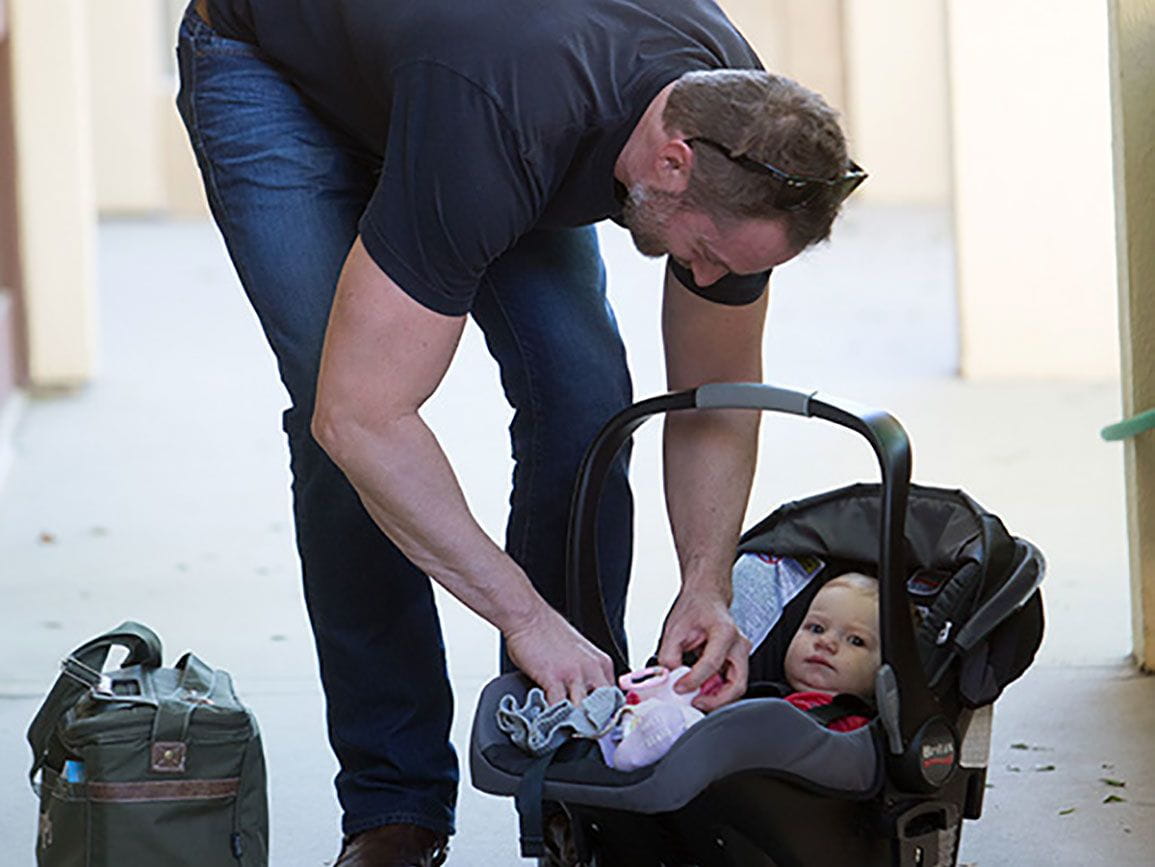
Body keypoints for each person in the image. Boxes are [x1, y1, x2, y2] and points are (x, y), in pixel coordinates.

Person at [174, 0, 864, 862]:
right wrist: (524, 618)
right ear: (672, 161)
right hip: (278, 69)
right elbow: (362, 420)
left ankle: (573, 759)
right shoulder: (501, 116)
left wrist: (705, 583)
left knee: (583, 394)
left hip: (460, 81)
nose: (708, 276)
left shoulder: (740, 121)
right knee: (341, 423)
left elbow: (712, 399)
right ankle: (395, 804)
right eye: (709, 254)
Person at [781, 572, 881, 731]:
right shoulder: (757, 693)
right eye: (816, 629)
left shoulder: (855, 730)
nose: (826, 642)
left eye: (855, 640)